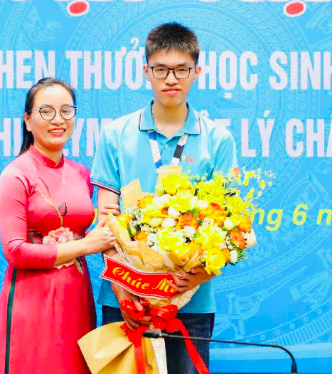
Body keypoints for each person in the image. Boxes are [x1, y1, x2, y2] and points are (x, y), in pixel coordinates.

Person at [91, 23, 238, 374]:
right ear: (146, 71)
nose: (171, 79)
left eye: (181, 70)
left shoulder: (218, 140)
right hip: (125, 299)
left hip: (191, 302)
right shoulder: (116, 135)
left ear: (196, 72)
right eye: (160, 69)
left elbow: (233, 224)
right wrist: (124, 290)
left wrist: (201, 275)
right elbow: (105, 218)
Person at [0, 78, 117, 374]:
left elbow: (100, 231)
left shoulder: (82, 173)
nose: (58, 120)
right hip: (32, 302)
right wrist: (86, 245)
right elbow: (15, 252)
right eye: (46, 112)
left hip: (76, 297)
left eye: (66, 111)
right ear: (27, 120)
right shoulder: (15, 175)